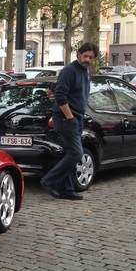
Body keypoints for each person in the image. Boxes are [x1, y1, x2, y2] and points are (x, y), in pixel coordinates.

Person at [40, 42, 99, 201]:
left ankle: (67, 189)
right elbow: (61, 96)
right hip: (65, 118)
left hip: (77, 118)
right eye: (85, 56)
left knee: (70, 152)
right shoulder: (69, 71)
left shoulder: (85, 72)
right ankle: (50, 180)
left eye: (91, 57)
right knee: (76, 152)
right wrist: (70, 117)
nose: (87, 59)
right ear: (78, 54)